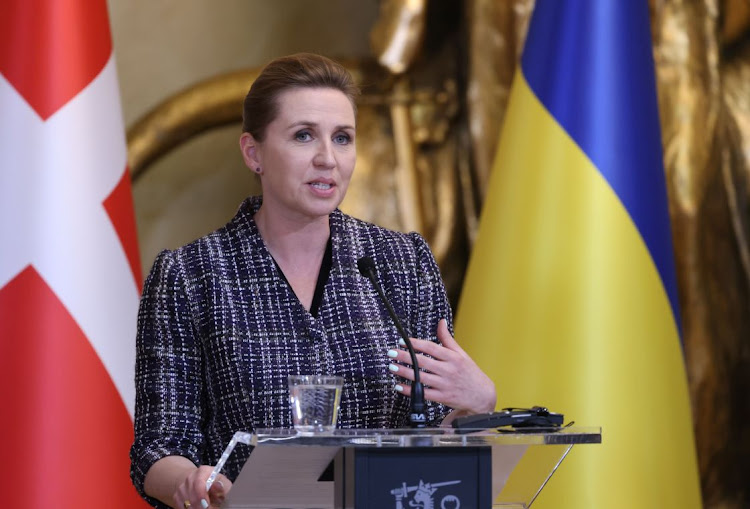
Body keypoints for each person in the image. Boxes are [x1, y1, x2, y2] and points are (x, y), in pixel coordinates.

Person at [130, 53, 496, 509]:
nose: (328, 159)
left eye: (342, 138)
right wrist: (190, 481)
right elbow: (158, 447)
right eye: (304, 136)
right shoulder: (190, 275)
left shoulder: (403, 263)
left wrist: (476, 406)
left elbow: (429, 440)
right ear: (253, 152)